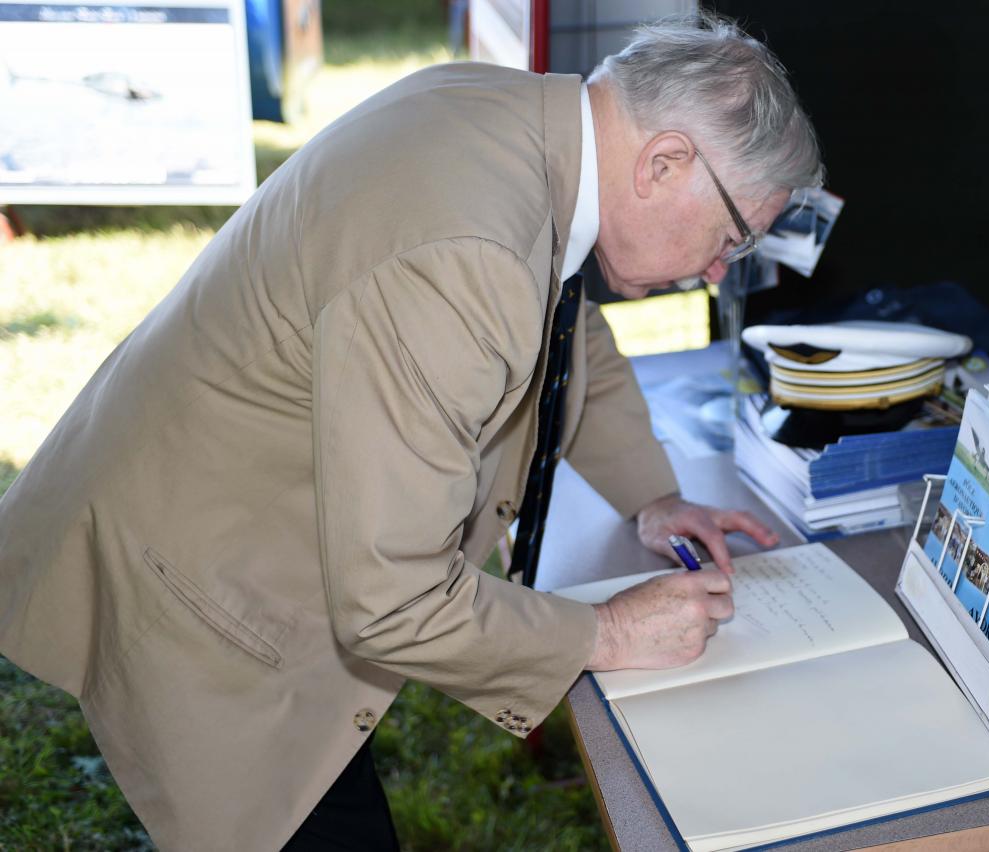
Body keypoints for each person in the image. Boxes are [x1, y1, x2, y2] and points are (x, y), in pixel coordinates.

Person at [0, 12, 823, 850]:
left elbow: (569, 325)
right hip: (203, 586)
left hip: (209, 501)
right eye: (733, 236)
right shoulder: (468, 254)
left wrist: (652, 495)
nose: (723, 269)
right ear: (665, 161)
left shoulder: (520, 123)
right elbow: (393, 600)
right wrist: (606, 633)